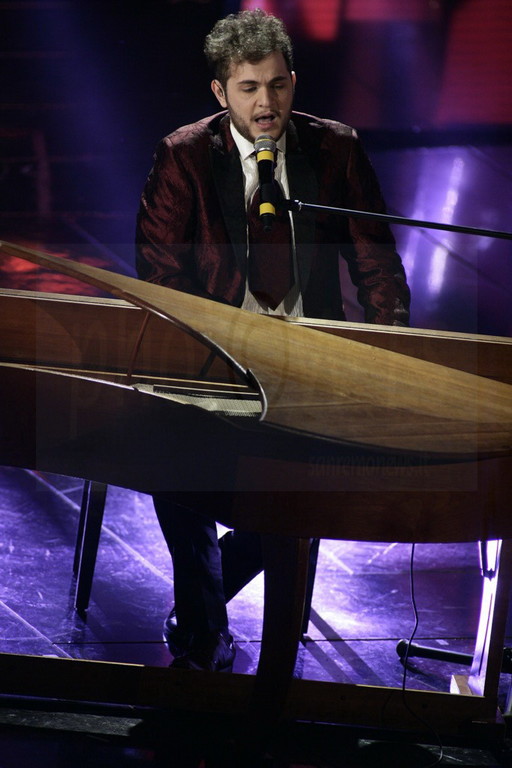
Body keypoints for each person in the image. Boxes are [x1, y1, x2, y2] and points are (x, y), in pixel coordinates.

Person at [135, 9, 410, 673]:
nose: (267, 103)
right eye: (250, 88)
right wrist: (220, 356)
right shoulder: (184, 156)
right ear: (221, 92)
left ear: (293, 82)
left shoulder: (335, 149)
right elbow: (161, 277)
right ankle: (205, 633)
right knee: (172, 464)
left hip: (310, 362)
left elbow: (376, 264)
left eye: (278, 85)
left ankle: (208, 601)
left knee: (318, 484)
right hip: (216, 359)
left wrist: (389, 368)